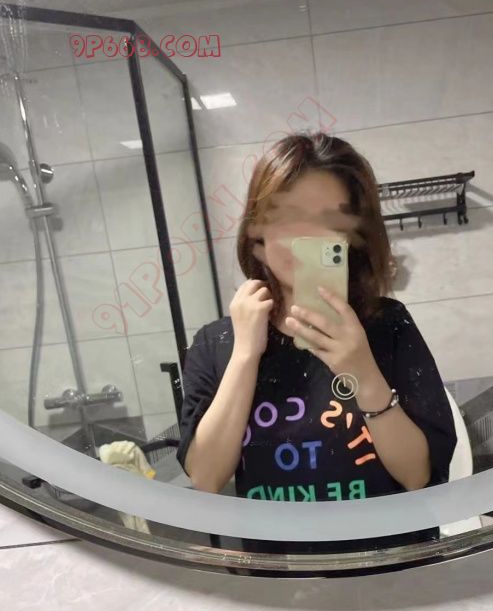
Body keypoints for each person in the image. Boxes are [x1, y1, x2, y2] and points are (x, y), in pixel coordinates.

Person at [175, 132, 457, 556]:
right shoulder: (217, 342)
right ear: (257, 231)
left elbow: (418, 476)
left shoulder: (387, 325)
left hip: (390, 571)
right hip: (282, 577)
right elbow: (206, 477)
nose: (305, 237)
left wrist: (362, 370)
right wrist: (246, 353)